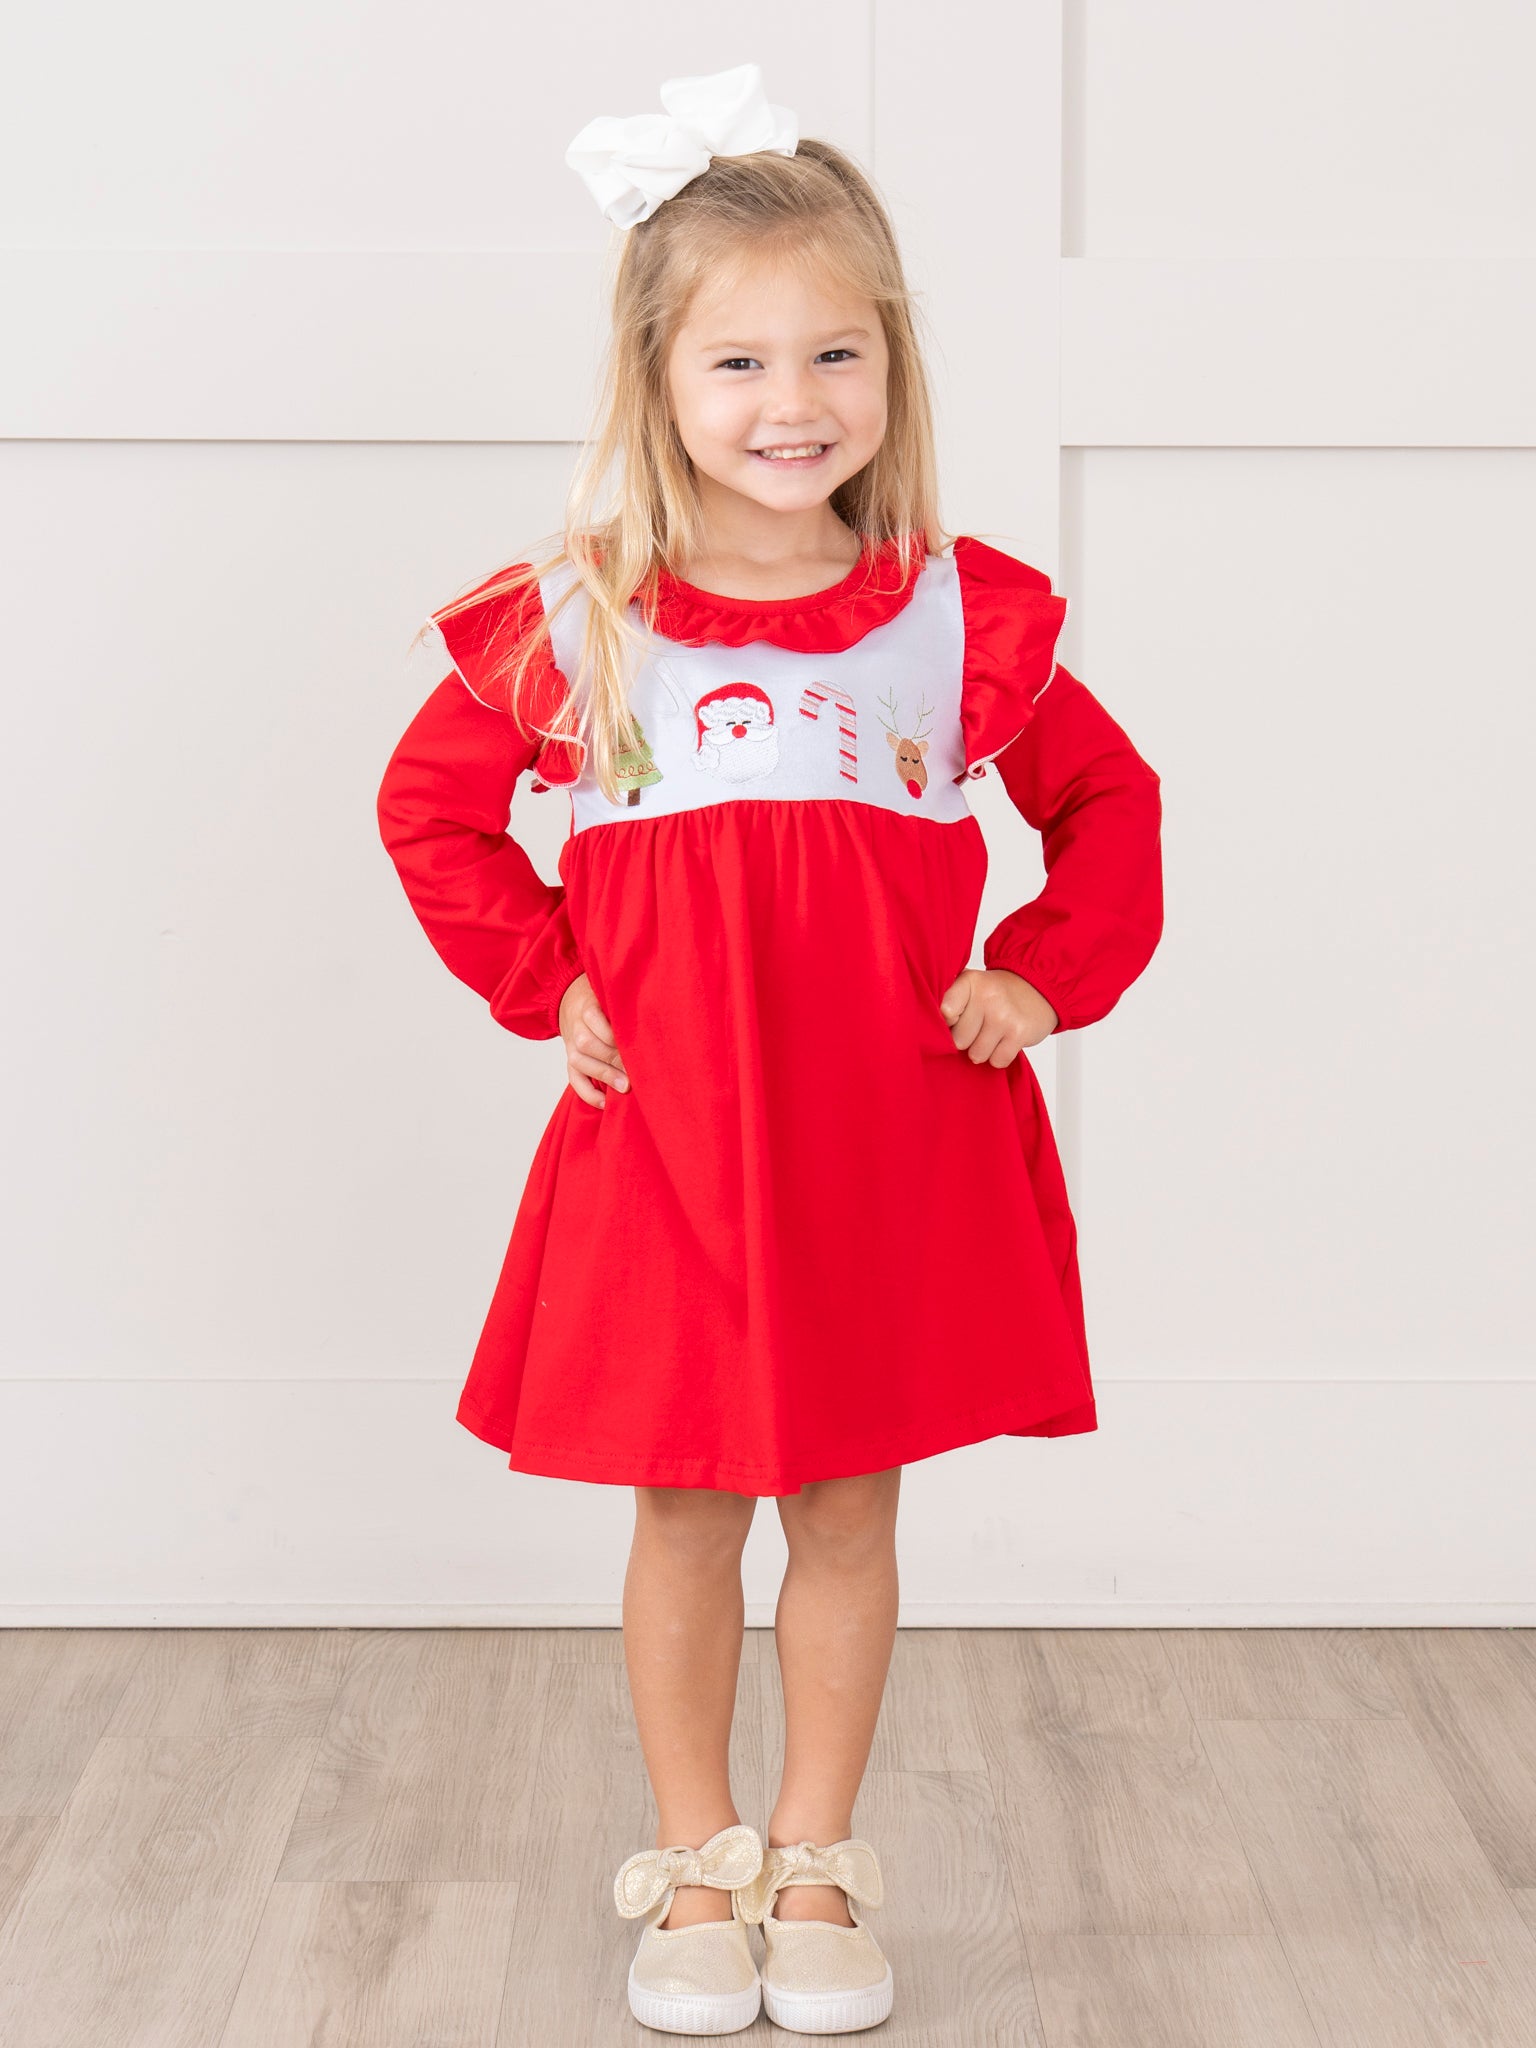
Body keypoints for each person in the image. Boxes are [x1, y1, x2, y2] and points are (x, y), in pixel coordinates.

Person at [376, 62, 1163, 2037]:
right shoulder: (586, 615)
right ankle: (699, 1856)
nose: (790, 400)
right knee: (680, 1505)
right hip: (671, 1142)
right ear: (656, 379)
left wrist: (1040, 975)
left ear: (893, 365)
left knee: (851, 1506)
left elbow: (1111, 806)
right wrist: (545, 977)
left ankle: (817, 1856)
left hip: (881, 1140)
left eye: (835, 353)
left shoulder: (955, 619)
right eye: (737, 361)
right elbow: (431, 810)